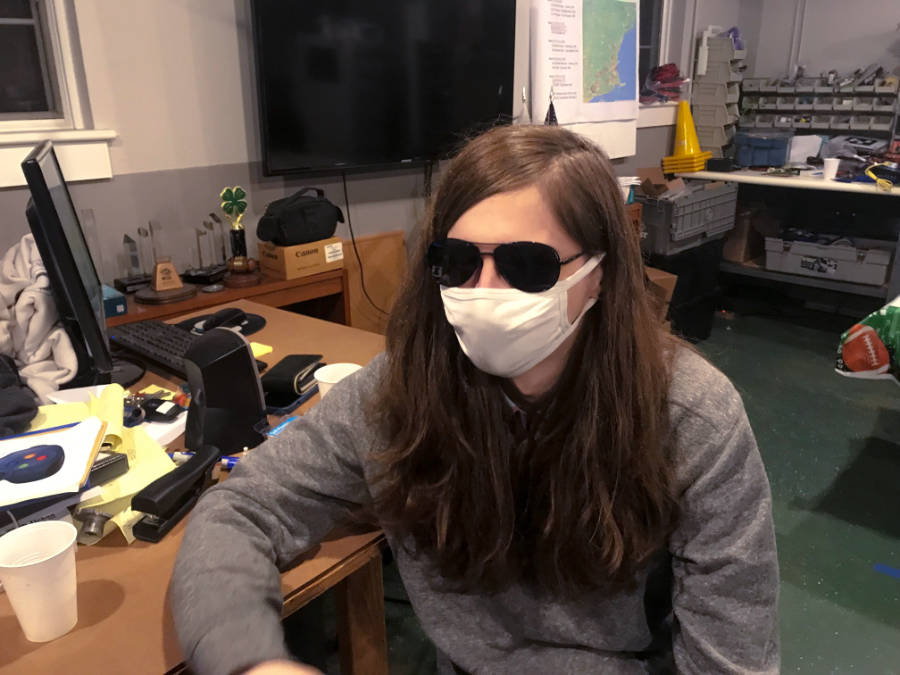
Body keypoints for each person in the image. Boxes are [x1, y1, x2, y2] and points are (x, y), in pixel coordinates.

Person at [171, 125, 779, 674]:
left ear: (599, 274)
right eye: (457, 262)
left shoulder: (693, 417)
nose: (483, 291)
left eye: (526, 265)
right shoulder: (397, 392)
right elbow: (242, 508)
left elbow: (733, 655)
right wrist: (248, 661)